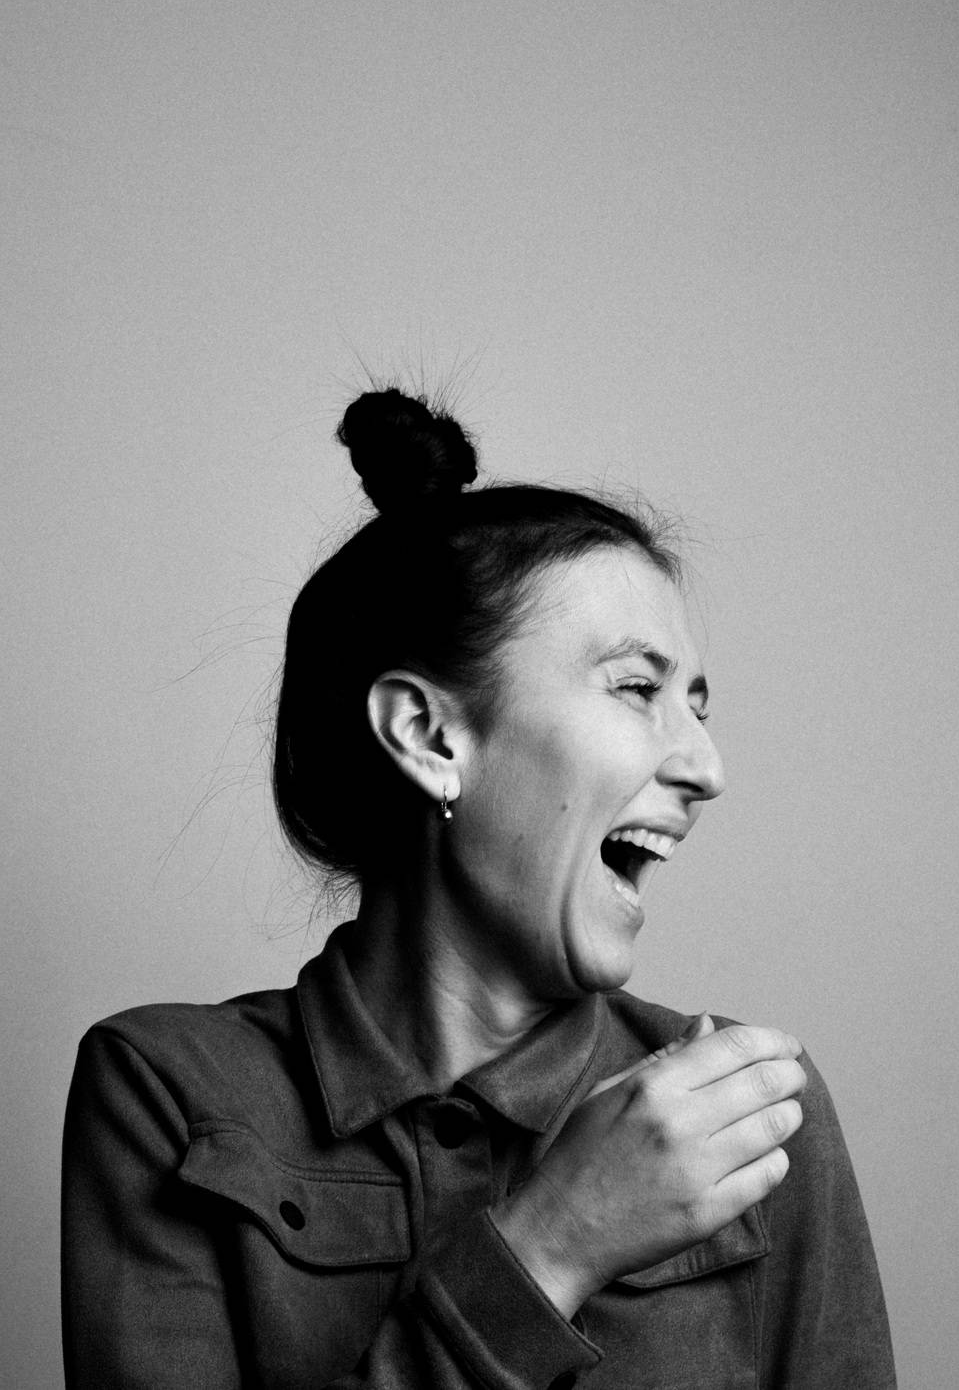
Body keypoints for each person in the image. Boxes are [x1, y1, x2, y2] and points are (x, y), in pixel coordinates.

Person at [61, 387, 896, 1389]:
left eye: (699, 707)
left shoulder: (754, 1115)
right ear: (428, 734)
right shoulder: (169, 1093)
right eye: (638, 688)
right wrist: (551, 1249)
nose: (706, 768)